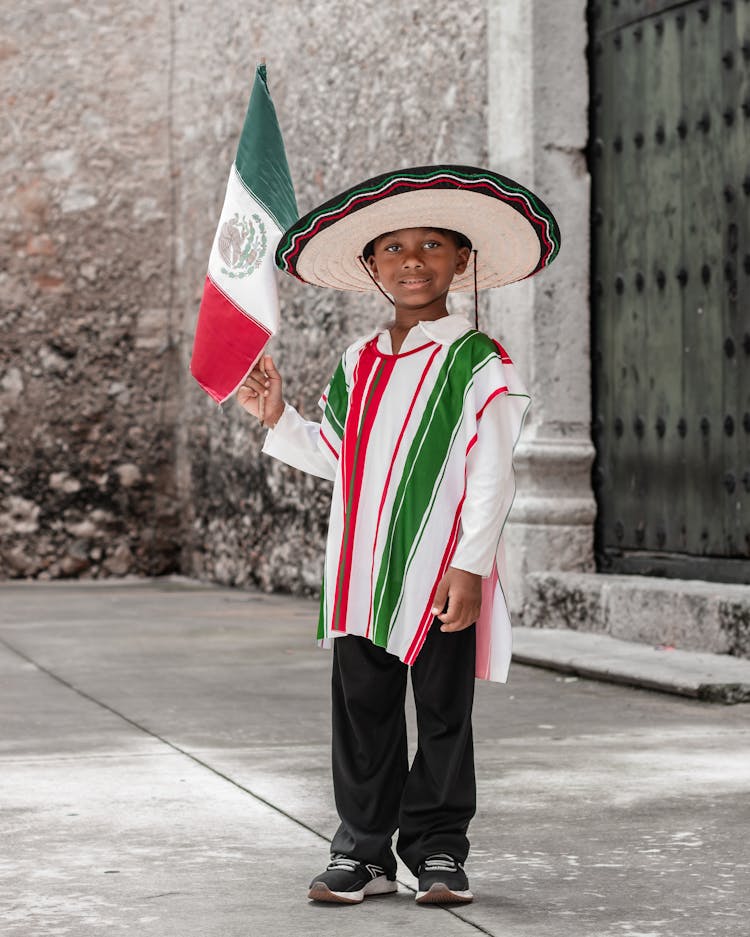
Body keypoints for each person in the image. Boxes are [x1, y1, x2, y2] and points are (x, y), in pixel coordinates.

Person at [237, 166, 560, 905]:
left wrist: (470, 565)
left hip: (440, 571)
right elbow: (340, 456)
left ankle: (438, 849)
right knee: (363, 712)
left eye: (432, 245)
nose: (412, 260)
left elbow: (490, 476)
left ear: (460, 261)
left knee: (444, 712)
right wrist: (279, 417)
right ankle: (363, 850)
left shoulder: (479, 361)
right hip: (360, 570)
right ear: (372, 266)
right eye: (393, 248)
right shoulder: (359, 362)